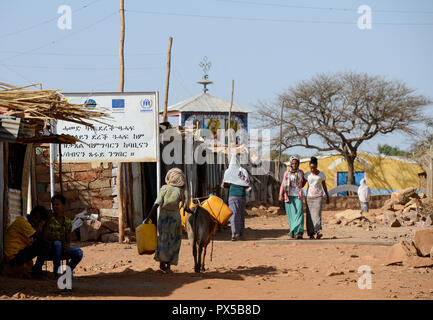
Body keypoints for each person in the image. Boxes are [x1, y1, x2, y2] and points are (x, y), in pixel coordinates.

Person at [147, 168, 190, 272]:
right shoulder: (181, 191)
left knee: (163, 239)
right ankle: (169, 265)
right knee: (174, 241)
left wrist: (148, 217)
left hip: (163, 217)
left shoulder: (164, 188)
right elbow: (186, 208)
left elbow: (156, 204)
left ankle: (162, 262)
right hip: (175, 218)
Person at [4, 205, 51, 280]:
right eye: (35, 218)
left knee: (44, 243)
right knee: (45, 244)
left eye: (38, 220)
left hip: (16, 254)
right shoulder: (23, 223)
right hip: (14, 257)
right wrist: (47, 222)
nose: (35, 221)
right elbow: (42, 238)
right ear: (31, 214)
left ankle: (35, 270)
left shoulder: (27, 223)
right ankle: (37, 272)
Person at [46, 194, 83, 279]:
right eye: (53, 205)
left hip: (61, 248)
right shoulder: (49, 220)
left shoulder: (67, 221)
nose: (55, 207)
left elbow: (68, 237)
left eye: (57, 204)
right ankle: (57, 273)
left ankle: (67, 272)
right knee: (57, 244)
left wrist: (67, 245)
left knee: (79, 252)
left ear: (63, 206)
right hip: (50, 249)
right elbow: (46, 235)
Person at [222, 153, 252, 241]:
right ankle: (240, 233)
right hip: (241, 196)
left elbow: (225, 184)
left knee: (234, 215)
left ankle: (234, 234)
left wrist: (233, 182)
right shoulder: (242, 171)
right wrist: (239, 182)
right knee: (241, 215)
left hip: (232, 196)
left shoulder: (228, 171)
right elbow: (247, 184)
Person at [303, 156, 329, 240]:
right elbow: (302, 185)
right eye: (311, 168)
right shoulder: (307, 174)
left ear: (317, 166)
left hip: (318, 196)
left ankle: (318, 231)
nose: (312, 170)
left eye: (314, 168)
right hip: (309, 197)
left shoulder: (322, 175)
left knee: (317, 215)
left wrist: (327, 195)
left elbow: (324, 185)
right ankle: (311, 234)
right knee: (309, 216)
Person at [279, 156, 305, 239]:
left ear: (298, 164)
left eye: (296, 163)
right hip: (289, 195)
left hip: (298, 195)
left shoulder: (301, 172)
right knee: (291, 215)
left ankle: (299, 232)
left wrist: (300, 188)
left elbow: (303, 182)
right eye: (293, 163)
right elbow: (283, 184)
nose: (294, 165)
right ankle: (293, 232)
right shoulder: (287, 173)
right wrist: (280, 194)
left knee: (299, 214)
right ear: (290, 163)